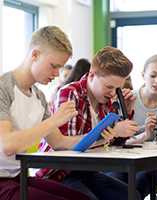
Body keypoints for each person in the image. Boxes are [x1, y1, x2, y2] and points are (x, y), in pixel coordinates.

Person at [37, 46, 140, 200]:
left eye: (117, 88)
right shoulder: (70, 94)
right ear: (92, 75)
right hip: (60, 173)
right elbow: (67, 148)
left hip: (88, 171)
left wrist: (128, 111)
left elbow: (117, 143)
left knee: (132, 196)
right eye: (109, 87)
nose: (113, 93)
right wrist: (110, 134)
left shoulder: (106, 100)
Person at [0, 26, 91, 200]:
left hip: (19, 178)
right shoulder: (3, 88)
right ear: (35, 55)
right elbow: (8, 145)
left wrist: (99, 136)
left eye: (60, 67)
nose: (57, 74)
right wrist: (54, 120)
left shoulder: (39, 96)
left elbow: (58, 142)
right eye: (53, 66)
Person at [107, 54, 157, 199]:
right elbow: (116, 140)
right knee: (115, 188)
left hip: (150, 164)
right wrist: (145, 133)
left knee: (135, 192)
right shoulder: (129, 98)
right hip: (123, 161)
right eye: (153, 75)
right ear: (143, 75)